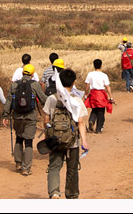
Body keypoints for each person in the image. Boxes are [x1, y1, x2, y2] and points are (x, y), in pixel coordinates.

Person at [43, 68, 90, 199]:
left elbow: (46, 121)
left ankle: (54, 193)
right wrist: (84, 141)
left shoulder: (51, 99)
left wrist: (49, 138)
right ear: (73, 83)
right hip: (72, 141)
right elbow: (80, 122)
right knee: (72, 169)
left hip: (55, 140)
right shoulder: (77, 101)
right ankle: (72, 195)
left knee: (54, 167)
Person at [3, 63, 47, 176]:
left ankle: (18, 163)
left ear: (22, 73)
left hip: (17, 116)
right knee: (28, 142)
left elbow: (8, 101)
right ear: (32, 74)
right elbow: (43, 98)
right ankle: (26, 168)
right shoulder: (35, 85)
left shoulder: (14, 85)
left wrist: (5, 116)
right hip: (30, 116)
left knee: (18, 138)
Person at [83, 59, 114, 134]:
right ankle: (98, 129)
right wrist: (111, 96)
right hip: (101, 94)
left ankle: (91, 120)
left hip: (93, 94)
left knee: (94, 109)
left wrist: (86, 94)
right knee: (101, 112)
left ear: (94, 65)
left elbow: (87, 86)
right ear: (101, 65)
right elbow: (107, 86)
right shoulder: (104, 75)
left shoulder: (90, 74)